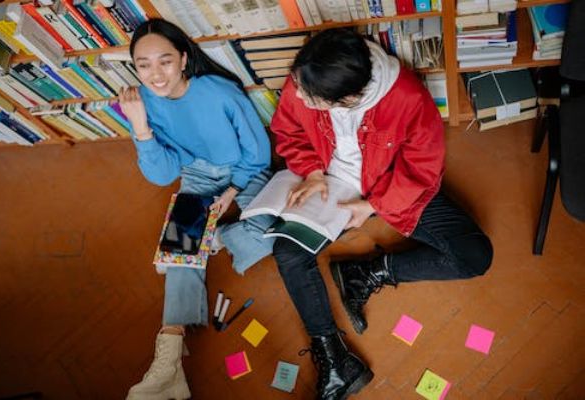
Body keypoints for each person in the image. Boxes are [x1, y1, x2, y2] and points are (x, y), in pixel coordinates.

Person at [270, 28, 493, 400]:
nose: (299, 98)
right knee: (287, 252)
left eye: (313, 100)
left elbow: (422, 168)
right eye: (300, 89)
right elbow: (287, 128)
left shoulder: (408, 98)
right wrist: (311, 171)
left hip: (388, 188)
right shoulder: (308, 78)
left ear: (349, 99)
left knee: (474, 255)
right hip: (329, 184)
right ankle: (335, 361)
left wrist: (373, 205)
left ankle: (366, 272)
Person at [119, 19, 274, 399]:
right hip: (196, 175)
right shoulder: (142, 103)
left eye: (165, 61)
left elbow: (257, 152)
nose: (155, 74)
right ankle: (168, 362)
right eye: (143, 65)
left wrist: (233, 192)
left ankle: (208, 240)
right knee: (179, 256)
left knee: (270, 232)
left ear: (184, 60)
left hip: (244, 171)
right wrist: (140, 128)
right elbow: (163, 174)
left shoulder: (219, 92)